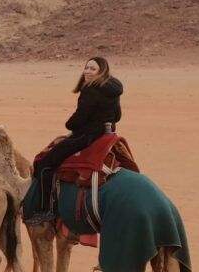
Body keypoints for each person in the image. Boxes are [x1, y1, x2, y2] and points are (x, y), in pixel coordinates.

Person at [24, 56, 124, 226]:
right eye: (86, 67)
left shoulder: (91, 89)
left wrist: (69, 125)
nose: (87, 71)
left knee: (44, 165)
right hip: (104, 136)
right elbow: (118, 116)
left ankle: (45, 210)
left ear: (101, 71)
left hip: (87, 137)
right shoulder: (112, 89)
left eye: (92, 69)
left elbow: (79, 118)